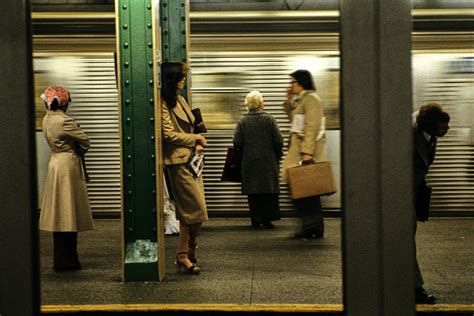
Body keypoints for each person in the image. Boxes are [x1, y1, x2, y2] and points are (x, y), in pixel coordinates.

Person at [39, 85, 93, 271]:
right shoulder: (65, 121)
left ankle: (61, 258)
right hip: (68, 165)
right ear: (65, 103)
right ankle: (69, 259)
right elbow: (85, 140)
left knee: (59, 213)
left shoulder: (46, 119)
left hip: (55, 163)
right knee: (69, 211)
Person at [161, 62, 208, 274]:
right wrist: (195, 138)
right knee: (193, 211)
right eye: (180, 77)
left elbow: (193, 124)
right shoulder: (163, 103)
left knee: (197, 212)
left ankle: (186, 252)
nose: (183, 80)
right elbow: (168, 135)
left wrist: (197, 141)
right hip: (178, 162)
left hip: (192, 161)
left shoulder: (180, 100)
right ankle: (185, 253)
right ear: (171, 79)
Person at [281, 70, 327, 239]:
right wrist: (287, 103)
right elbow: (295, 121)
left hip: (304, 152)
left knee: (306, 191)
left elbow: (312, 126)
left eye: (292, 82)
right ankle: (311, 226)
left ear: (300, 82)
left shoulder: (311, 99)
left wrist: (307, 152)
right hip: (298, 150)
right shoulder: (303, 100)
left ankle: (312, 227)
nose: (290, 85)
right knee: (303, 191)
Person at [412, 103, 450, 304]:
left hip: (412, 187)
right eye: (442, 127)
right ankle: (414, 287)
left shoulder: (427, 131)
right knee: (405, 238)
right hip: (399, 192)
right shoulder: (409, 133)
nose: (447, 130)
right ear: (428, 126)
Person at [233, 90, 283, 229]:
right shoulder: (269, 119)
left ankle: (255, 219)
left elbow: (237, 142)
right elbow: (278, 140)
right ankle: (267, 219)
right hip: (268, 161)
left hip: (249, 162)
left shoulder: (242, 121)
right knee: (267, 191)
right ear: (261, 103)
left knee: (253, 192)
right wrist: (277, 155)